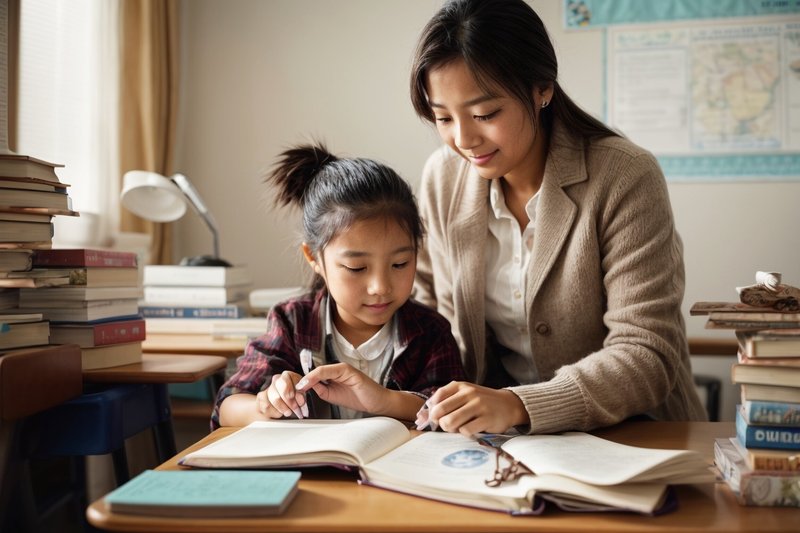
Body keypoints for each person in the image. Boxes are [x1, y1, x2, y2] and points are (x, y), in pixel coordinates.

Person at [406, 0, 707, 436]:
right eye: (443, 118)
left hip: (637, 436)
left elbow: (646, 353)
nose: (464, 139)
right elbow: (429, 319)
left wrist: (517, 404)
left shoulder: (624, 175)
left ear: (542, 88)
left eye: (485, 114)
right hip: (497, 447)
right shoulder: (442, 179)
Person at [212, 142, 466, 429]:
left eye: (400, 264)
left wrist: (382, 399)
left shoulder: (431, 333)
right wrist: (267, 404)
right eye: (356, 268)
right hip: (308, 474)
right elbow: (227, 407)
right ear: (314, 258)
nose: (380, 287)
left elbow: (451, 413)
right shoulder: (292, 321)